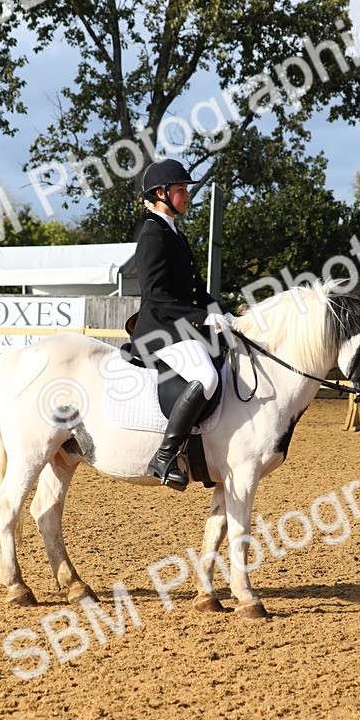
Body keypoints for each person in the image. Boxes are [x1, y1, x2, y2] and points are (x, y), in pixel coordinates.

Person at [127, 158, 231, 490]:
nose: (188, 195)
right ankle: (165, 455)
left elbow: (196, 292)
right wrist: (203, 318)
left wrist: (223, 313)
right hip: (160, 332)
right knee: (206, 376)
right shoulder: (153, 235)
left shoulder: (174, 233)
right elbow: (156, 295)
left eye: (186, 189)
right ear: (161, 194)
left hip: (182, 328)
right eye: (181, 190)